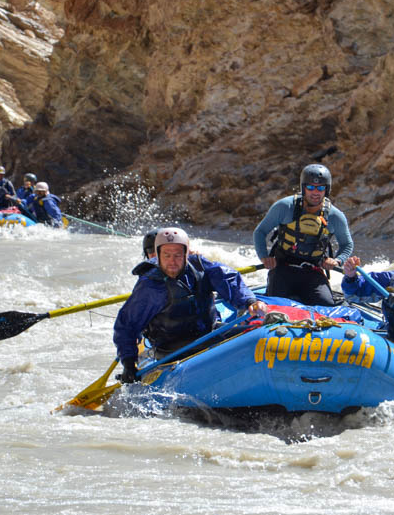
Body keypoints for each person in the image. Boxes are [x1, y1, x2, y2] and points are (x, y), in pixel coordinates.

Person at [113, 227, 268, 383]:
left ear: (186, 254)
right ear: (158, 256)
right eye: (166, 255)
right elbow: (127, 326)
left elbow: (229, 279)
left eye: (177, 255)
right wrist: (128, 363)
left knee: (262, 334)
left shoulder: (200, 267)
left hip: (211, 334)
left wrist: (250, 301)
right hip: (173, 351)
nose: (172, 261)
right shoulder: (150, 286)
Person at [253, 164, 353, 306]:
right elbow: (260, 232)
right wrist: (264, 256)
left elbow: (347, 244)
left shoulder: (335, 216)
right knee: (275, 306)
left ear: (327, 189)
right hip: (282, 268)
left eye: (320, 188)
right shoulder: (284, 207)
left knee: (327, 307)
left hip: (313, 271)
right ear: (303, 187)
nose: (315, 192)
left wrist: (337, 261)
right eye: (310, 187)